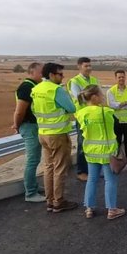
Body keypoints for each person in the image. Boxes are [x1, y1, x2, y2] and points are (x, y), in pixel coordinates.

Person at [31, 63, 78, 213]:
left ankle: (49, 200)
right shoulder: (56, 90)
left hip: (43, 133)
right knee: (59, 168)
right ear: (51, 75)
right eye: (60, 74)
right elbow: (72, 108)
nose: (62, 77)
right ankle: (58, 201)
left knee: (48, 167)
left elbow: (33, 109)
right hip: (57, 133)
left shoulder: (36, 89)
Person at [76, 85, 126, 220]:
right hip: (107, 151)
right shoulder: (106, 112)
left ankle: (89, 208)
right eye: (101, 94)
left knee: (92, 179)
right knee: (110, 180)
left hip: (91, 151)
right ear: (94, 97)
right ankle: (112, 209)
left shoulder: (80, 113)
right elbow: (116, 127)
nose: (103, 97)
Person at [10, 62, 46, 203]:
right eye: (41, 72)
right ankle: (30, 193)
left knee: (35, 159)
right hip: (29, 126)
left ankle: (34, 186)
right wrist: (16, 125)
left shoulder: (33, 86)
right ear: (32, 72)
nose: (43, 75)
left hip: (33, 125)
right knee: (33, 160)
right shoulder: (26, 87)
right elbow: (20, 111)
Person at [67, 57, 100, 181]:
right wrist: (92, 98)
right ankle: (81, 171)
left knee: (95, 143)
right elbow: (80, 98)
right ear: (79, 67)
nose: (89, 68)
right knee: (83, 144)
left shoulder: (94, 80)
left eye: (90, 66)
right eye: (86, 66)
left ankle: (94, 170)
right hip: (83, 117)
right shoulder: (74, 81)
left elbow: (98, 96)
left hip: (95, 116)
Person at [107, 70, 127, 173]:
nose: (121, 79)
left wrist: (119, 105)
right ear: (116, 78)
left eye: (123, 77)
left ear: (125, 78)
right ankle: (116, 166)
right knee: (117, 144)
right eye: (119, 77)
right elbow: (111, 105)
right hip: (116, 121)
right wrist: (125, 103)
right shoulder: (110, 91)